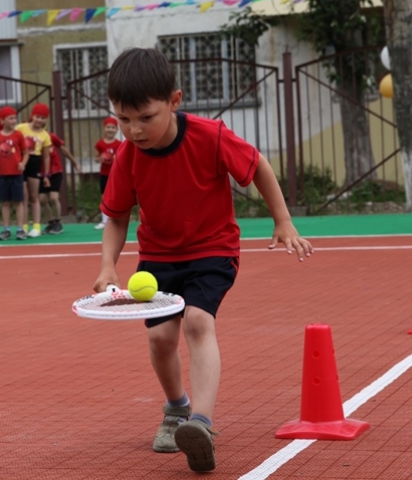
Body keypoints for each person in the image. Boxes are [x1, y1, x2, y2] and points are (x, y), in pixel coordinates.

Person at [92, 48, 313, 473]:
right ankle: (177, 409)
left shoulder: (210, 136)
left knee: (197, 321)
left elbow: (258, 166)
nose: (133, 130)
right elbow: (117, 217)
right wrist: (107, 266)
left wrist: (283, 221)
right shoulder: (127, 156)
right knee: (159, 340)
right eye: (123, 120)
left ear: (174, 102)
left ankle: (201, 425)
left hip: (213, 249)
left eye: (145, 117)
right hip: (157, 257)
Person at [0, 107, 28, 241]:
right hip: (3, 174)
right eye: (10, 118)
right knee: (5, 202)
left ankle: (20, 229)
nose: (14, 120)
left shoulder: (18, 135)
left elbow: (26, 152)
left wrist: (23, 163)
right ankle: (6, 229)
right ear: (2, 120)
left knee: (18, 202)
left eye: (15, 118)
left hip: (16, 174)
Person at [15, 104, 52, 238]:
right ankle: (23, 225)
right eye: (37, 117)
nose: (39, 120)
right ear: (32, 116)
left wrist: (46, 174)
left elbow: (46, 156)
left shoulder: (45, 135)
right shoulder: (21, 128)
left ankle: (36, 226)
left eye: (43, 118)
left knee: (34, 196)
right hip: (21, 162)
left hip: (35, 163)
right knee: (23, 197)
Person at [40, 126, 81, 235]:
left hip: (55, 171)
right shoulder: (33, 140)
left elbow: (64, 150)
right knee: (42, 199)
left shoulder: (51, 137)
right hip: (41, 172)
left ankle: (58, 222)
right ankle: (51, 222)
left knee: (53, 197)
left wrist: (75, 163)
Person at [93, 116, 122, 230]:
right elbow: (96, 157)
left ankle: (117, 219)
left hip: (115, 174)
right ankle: (104, 221)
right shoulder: (100, 144)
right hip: (104, 174)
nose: (110, 129)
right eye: (108, 127)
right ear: (104, 128)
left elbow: (122, 158)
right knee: (104, 196)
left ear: (116, 130)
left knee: (116, 196)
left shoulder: (119, 144)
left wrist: (115, 158)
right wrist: (101, 158)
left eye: (113, 127)